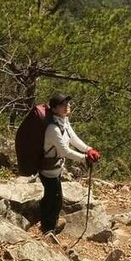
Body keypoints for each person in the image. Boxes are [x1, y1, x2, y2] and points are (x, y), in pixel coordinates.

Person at [38, 93, 101, 237]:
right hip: (49, 170)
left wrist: (88, 149)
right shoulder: (53, 129)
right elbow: (64, 151)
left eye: (68, 104)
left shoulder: (63, 121)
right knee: (55, 199)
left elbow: (73, 138)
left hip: (56, 167)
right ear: (54, 109)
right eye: (63, 105)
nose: (67, 106)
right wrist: (84, 158)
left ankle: (46, 219)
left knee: (52, 196)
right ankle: (48, 228)